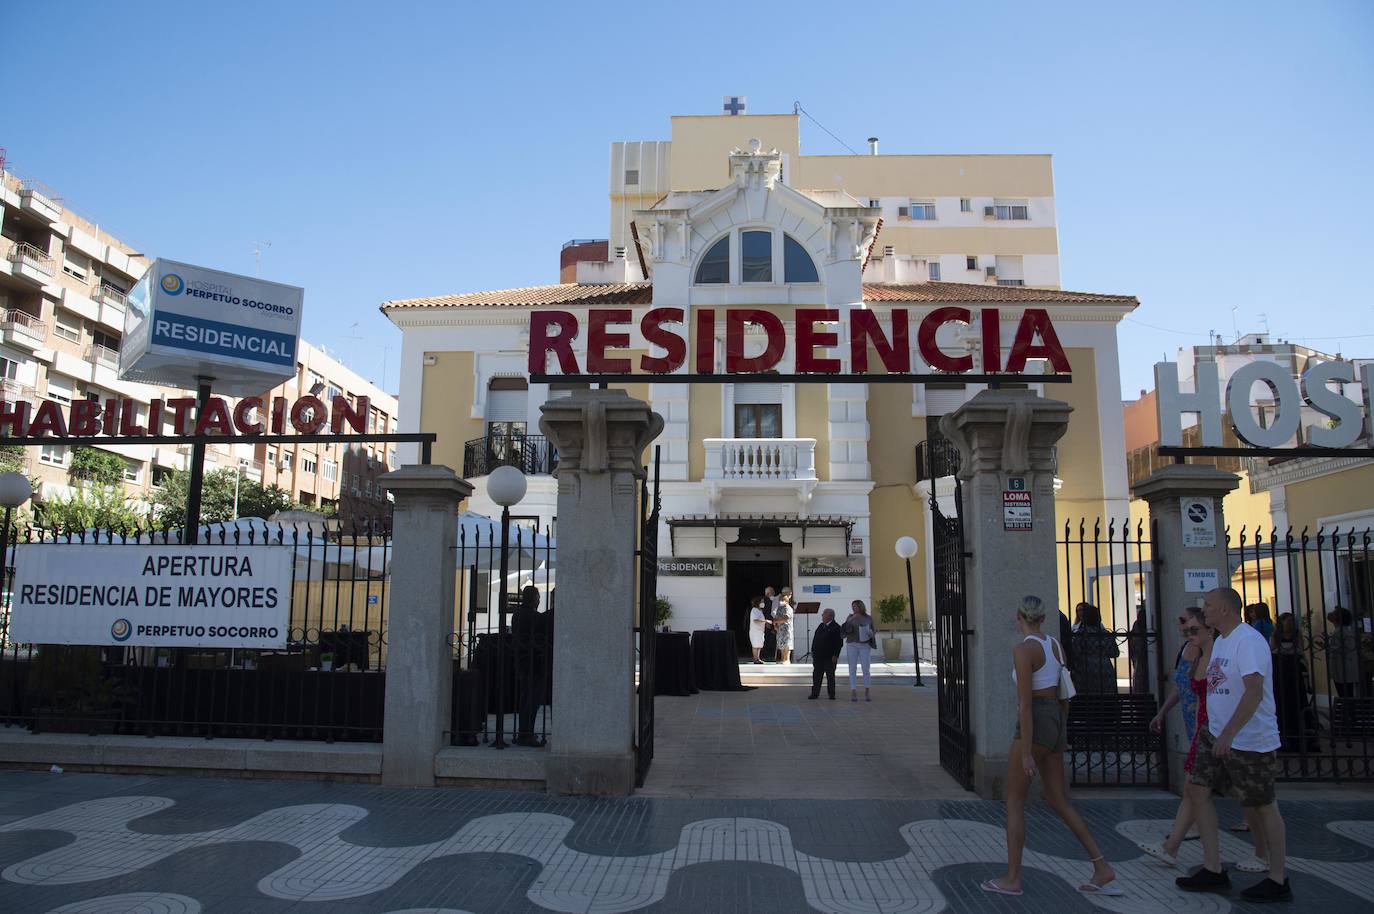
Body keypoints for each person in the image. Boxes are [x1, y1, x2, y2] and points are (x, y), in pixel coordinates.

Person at [980, 595, 1119, 898]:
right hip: (1055, 717)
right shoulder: (1054, 645)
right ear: (1042, 618)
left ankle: (1013, 878)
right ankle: (1101, 864)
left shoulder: (1022, 650)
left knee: (1015, 800)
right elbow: (1065, 692)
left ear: (1019, 616)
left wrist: (1027, 750)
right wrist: (1062, 733)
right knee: (1058, 800)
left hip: (1037, 719)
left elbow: (1025, 705)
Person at [1176, 587, 1291, 903]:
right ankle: (1213, 868)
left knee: (1262, 804)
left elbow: (1254, 691)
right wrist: (1217, 732)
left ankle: (1278, 878)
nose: (1205, 610)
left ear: (1224, 609)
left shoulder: (1248, 641)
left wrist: (1229, 733)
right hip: (1214, 734)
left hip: (1249, 740)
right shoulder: (1222, 641)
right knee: (1198, 791)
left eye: (1209, 605)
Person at [1271, 612, 1317, 753]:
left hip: (1294, 670)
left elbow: (1301, 651)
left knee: (1297, 701)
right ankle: (1283, 737)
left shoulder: (1297, 634)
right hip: (1280, 671)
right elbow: (1272, 650)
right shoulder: (1275, 635)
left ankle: (1300, 737)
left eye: (1291, 621)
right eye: (1287, 621)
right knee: (1282, 702)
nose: (1289, 624)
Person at [512, 585, 547, 747]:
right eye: (538, 597)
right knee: (532, 700)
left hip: (522, 662)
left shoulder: (517, 614)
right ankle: (527, 735)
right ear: (533, 598)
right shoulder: (533, 616)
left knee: (525, 698)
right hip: (533, 662)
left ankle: (523, 732)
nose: (539, 600)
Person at [1071, 602, 1119, 694]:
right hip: (1105, 670)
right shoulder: (1105, 634)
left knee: (1088, 701)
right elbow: (1115, 653)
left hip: (1085, 671)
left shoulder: (1080, 634)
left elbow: (1075, 653)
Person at [842, 600, 876, 702]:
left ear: (861, 607)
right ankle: (853, 691)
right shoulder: (850, 617)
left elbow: (873, 630)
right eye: (852, 606)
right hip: (852, 644)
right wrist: (850, 619)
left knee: (866, 668)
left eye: (855, 606)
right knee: (852, 668)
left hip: (864, 645)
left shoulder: (868, 618)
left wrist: (872, 634)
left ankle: (867, 690)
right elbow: (844, 630)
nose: (854, 608)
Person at [1324, 607, 1362, 699]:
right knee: (1347, 693)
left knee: (1344, 694)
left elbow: (1340, 648)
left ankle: (1348, 712)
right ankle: (1348, 711)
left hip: (1343, 667)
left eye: (1335, 613)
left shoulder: (1340, 631)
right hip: (1344, 667)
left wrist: (1327, 647)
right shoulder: (1345, 630)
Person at [808, 608, 845, 700]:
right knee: (817, 675)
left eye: (824, 614)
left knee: (830, 676)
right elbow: (815, 639)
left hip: (829, 656)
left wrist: (835, 655)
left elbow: (839, 643)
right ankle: (815, 693)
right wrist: (813, 650)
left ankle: (831, 694)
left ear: (830, 616)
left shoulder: (836, 627)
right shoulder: (821, 626)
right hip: (818, 656)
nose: (822, 616)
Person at [1128, 606, 1150, 693]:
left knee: (1139, 677)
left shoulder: (1137, 624)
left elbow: (1132, 640)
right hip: (1139, 654)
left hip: (1139, 654)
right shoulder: (1137, 625)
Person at [774, 593, 795, 664]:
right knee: (781, 644)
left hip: (787, 629)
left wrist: (776, 621)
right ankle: (783, 659)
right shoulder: (779, 608)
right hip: (780, 629)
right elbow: (775, 617)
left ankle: (787, 659)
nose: (781, 601)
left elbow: (785, 619)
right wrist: (775, 625)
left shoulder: (789, 609)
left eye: (782, 600)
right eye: (780, 600)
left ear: (786, 601)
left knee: (787, 644)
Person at [748, 596, 767, 664]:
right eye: (761, 602)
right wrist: (765, 621)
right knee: (755, 645)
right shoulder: (754, 610)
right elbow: (755, 620)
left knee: (759, 644)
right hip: (755, 631)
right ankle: (755, 659)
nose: (763, 603)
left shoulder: (760, 610)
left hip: (760, 631)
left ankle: (758, 658)